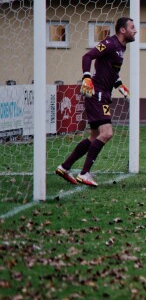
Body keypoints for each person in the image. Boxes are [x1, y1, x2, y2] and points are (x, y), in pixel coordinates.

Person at [55, 17, 136, 187]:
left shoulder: (121, 47)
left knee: (94, 137)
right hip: (96, 93)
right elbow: (88, 56)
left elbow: (109, 69)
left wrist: (119, 84)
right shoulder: (110, 43)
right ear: (123, 30)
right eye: (132, 27)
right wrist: (86, 77)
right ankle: (84, 173)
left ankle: (65, 167)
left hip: (103, 94)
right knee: (106, 133)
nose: (135, 31)